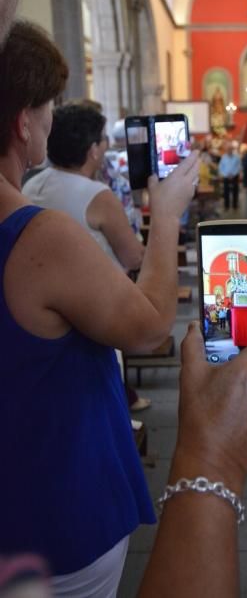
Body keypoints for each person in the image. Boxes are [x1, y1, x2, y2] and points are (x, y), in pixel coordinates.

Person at [0, 20, 247, 597]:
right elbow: (149, 329)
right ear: (24, 120)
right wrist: (167, 211)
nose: (52, 116)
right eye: (48, 104)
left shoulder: (36, 204)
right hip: (48, 515)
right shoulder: (35, 235)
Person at [23, 103, 152, 412]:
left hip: (44, 305)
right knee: (99, 396)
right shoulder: (96, 195)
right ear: (94, 149)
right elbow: (133, 257)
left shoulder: (32, 184)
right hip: (95, 308)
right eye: (102, 139)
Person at [218, 141, 241, 210]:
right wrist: (226, 174)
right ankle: (226, 206)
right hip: (226, 177)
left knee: (235, 192)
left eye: (230, 149)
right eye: (228, 149)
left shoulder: (236, 157)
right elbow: (220, 167)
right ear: (226, 150)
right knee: (226, 192)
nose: (229, 150)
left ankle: (235, 206)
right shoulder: (223, 157)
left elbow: (239, 167)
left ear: (232, 150)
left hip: (235, 177)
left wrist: (233, 174)